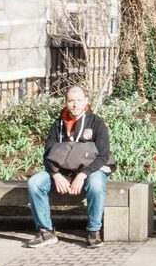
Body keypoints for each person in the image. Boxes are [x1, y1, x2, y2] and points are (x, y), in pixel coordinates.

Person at [26, 85, 114, 249]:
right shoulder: (57, 124)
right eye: (71, 100)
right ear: (66, 102)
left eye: (79, 100)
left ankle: (93, 231)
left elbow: (103, 155)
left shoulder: (96, 122)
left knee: (96, 184)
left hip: (90, 171)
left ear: (86, 101)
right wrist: (55, 174)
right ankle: (46, 232)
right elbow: (47, 155)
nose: (75, 104)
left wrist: (82, 175)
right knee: (35, 183)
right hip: (63, 173)